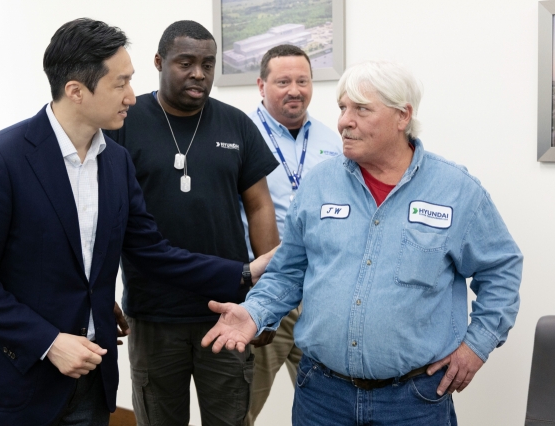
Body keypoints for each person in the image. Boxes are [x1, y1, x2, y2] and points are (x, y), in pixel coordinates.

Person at [0, 18, 271, 426]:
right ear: (76, 91)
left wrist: (245, 271)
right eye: (121, 83)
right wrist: (47, 342)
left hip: (91, 383)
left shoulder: (114, 162)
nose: (133, 96)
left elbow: (151, 251)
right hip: (17, 381)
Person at [202, 60, 523, 425]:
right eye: (342, 108)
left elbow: (501, 270)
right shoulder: (319, 185)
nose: (343, 121)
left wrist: (475, 347)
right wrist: (255, 311)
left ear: (402, 116)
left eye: (361, 109)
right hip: (321, 398)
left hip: (414, 401)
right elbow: (288, 272)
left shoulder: (456, 191)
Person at [103, 20, 280, 426]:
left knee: (231, 417)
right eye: (186, 62)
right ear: (159, 62)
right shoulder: (124, 124)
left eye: (208, 63)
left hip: (228, 309)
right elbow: (101, 215)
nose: (199, 73)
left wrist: (267, 297)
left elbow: (259, 206)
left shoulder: (236, 125)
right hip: (153, 312)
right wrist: (97, 290)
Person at [240, 44, 342, 426]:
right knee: (242, 403)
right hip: (265, 289)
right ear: (261, 85)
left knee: (330, 404)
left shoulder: (335, 143)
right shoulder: (240, 136)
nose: (294, 90)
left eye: (302, 80)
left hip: (321, 293)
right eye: (283, 81)